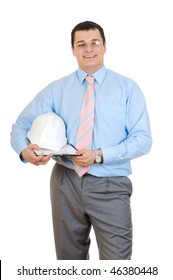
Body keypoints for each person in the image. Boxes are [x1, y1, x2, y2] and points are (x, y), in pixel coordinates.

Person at [10, 20, 152, 260]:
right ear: (73, 49)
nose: (89, 49)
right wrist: (24, 151)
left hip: (111, 183)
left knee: (117, 265)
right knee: (69, 263)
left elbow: (143, 139)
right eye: (81, 44)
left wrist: (99, 155)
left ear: (105, 46)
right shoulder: (57, 89)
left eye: (94, 42)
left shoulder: (128, 88)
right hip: (65, 182)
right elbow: (20, 125)